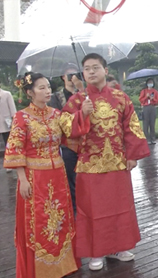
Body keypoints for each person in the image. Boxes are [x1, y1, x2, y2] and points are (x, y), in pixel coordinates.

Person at [60, 53, 150, 271]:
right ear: (83, 73)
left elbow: (132, 127)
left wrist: (132, 156)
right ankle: (95, 251)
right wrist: (82, 114)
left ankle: (117, 247)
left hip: (118, 163)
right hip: (90, 166)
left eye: (95, 67)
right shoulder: (77, 101)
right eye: (87, 68)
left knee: (118, 207)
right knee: (92, 210)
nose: (91, 71)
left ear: (105, 71)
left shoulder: (121, 98)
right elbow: (65, 127)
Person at [4, 72, 87, 277]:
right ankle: (41, 269)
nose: (47, 90)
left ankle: (63, 264)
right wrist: (22, 180)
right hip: (34, 178)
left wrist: (83, 109)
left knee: (60, 218)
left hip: (58, 175)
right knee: (39, 221)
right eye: (41, 88)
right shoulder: (22, 117)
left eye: (48, 86)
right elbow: (15, 150)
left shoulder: (56, 114)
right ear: (30, 92)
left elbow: (74, 128)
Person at [47, 63, 84, 214]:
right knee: (71, 178)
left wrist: (81, 89)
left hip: (86, 143)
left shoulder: (85, 94)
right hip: (67, 144)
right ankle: (75, 210)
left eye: (75, 74)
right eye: (69, 75)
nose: (72, 78)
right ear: (63, 77)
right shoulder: (56, 97)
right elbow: (57, 118)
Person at [0, 84, 17, 173]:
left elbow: (13, 109)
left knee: (8, 143)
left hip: (6, 123)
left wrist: (14, 120)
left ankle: (9, 164)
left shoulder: (6, 94)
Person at [139, 78, 158, 144]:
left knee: (152, 123)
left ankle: (153, 138)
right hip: (146, 107)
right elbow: (141, 100)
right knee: (145, 123)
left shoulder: (155, 91)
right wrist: (146, 97)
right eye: (149, 82)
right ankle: (146, 138)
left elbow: (157, 101)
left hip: (152, 107)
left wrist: (153, 99)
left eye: (151, 82)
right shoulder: (144, 91)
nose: (150, 84)